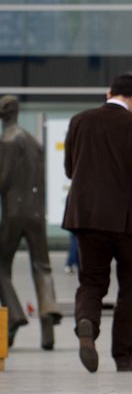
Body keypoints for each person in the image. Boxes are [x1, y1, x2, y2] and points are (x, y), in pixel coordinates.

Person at [62, 75, 132, 373]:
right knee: (130, 289)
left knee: (91, 281)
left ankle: (87, 323)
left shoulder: (79, 121)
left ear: (108, 93)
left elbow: (70, 169)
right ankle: (124, 356)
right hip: (129, 222)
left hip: (88, 218)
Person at [0, 95, 62, 350]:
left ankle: (14, 314)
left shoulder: (7, 141)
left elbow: (3, 181)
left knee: (1, 267)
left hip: (14, 213)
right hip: (36, 214)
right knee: (42, 266)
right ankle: (48, 330)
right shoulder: (35, 143)